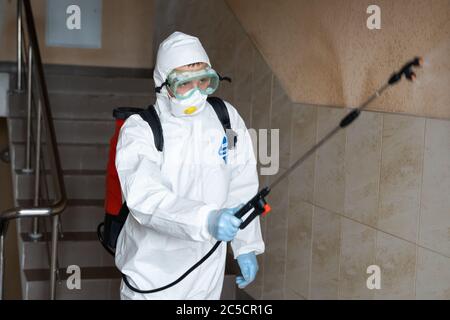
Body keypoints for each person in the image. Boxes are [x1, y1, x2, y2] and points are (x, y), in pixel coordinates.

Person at [114, 31, 265, 300]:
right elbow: (145, 198)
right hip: (151, 276)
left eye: (204, 80)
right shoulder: (142, 130)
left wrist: (246, 246)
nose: (197, 92)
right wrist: (205, 219)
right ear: (164, 84)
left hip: (207, 272)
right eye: (184, 83)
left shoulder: (226, 118)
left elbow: (240, 181)